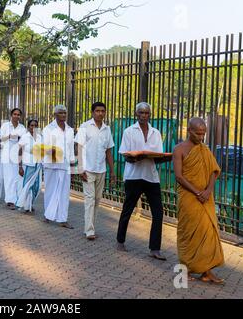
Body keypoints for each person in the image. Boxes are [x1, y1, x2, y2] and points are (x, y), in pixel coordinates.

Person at [173, 117, 225, 284]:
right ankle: (185, 269)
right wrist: (197, 192)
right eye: (198, 133)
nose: (201, 137)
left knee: (208, 232)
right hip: (189, 198)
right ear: (189, 131)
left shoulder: (204, 149)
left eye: (203, 134)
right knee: (188, 232)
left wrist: (208, 191)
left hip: (205, 198)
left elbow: (214, 171)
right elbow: (179, 176)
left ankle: (206, 271)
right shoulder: (179, 149)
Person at [116, 102, 169, 260]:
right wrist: (135, 157)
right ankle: (120, 241)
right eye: (141, 112)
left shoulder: (156, 133)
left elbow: (159, 156)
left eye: (146, 113)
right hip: (134, 176)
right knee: (128, 209)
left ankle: (155, 248)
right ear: (136, 114)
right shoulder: (129, 132)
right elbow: (124, 154)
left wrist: (157, 157)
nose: (144, 115)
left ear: (149, 115)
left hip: (151, 177)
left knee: (158, 213)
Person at [75, 102, 116, 240]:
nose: (100, 113)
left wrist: (112, 171)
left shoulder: (107, 129)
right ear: (92, 112)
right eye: (97, 111)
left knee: (97, 200)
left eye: (102, 111)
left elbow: (109, 151)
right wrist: (80, 167)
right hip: (88, 170)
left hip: (101, 170)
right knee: (89, 200)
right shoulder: (85, 126)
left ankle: (91, 226)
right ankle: (89, 230)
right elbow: (79, 147)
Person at [42, 105, 76, 229]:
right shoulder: (48, 129)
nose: (63, 115)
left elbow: (71, 149)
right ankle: (47, 215)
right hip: (51, 164)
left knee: (64, 192)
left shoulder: (70, 130)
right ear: (55, 115)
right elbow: (45, 146)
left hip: (65, 165)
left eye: (65, 113)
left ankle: (63, 219)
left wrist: (72, 167)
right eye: (60, 113)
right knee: (50, 190)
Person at [0, 108, 26, 209]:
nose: (16, 116)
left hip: (18, 155)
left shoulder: (22, 127)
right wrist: (10, 136)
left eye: (18, 114)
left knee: (18, 178)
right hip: (7, 155)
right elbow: (0, 138)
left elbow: (24, 140)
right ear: (11, 115)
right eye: (15, 114)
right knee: (9, 178)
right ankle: (10, 200)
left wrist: (19, 137)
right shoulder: (5, 126)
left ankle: (18, 199)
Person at [16, 119, 43, 213]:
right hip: (27, 165)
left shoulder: (40, 137)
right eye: (31, 125)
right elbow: (19, 151)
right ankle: (25, 205)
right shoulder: (25, 137)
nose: (33, 127)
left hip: (38, 164)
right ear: (28, 127)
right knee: (27, 186)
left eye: (35, 125)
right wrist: (20, 167)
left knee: (37, 187)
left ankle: (29, 203)